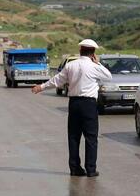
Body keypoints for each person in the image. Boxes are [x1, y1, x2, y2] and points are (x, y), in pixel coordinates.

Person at [32, 39, 112, 177]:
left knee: (74, 137)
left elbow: (58, 80)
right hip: (89, 105)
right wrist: (97, 62)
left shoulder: (71, 65)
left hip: (74, 104)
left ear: (80, 50)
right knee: (91, 138)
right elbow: (108, 77)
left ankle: (75, 168)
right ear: (93, 53)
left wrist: (42, 87)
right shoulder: (94, 66)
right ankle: (91, 169)